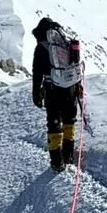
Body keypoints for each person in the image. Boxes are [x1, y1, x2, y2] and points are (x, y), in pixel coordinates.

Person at [31, 17, 83, 172]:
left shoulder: (41, 47)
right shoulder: (66, 43)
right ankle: (68, 156)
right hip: (70, 88)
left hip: (52, 90)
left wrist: (36, 93)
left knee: (54, 125)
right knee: (69, 121)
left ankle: (57, 162)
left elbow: (37, 72)